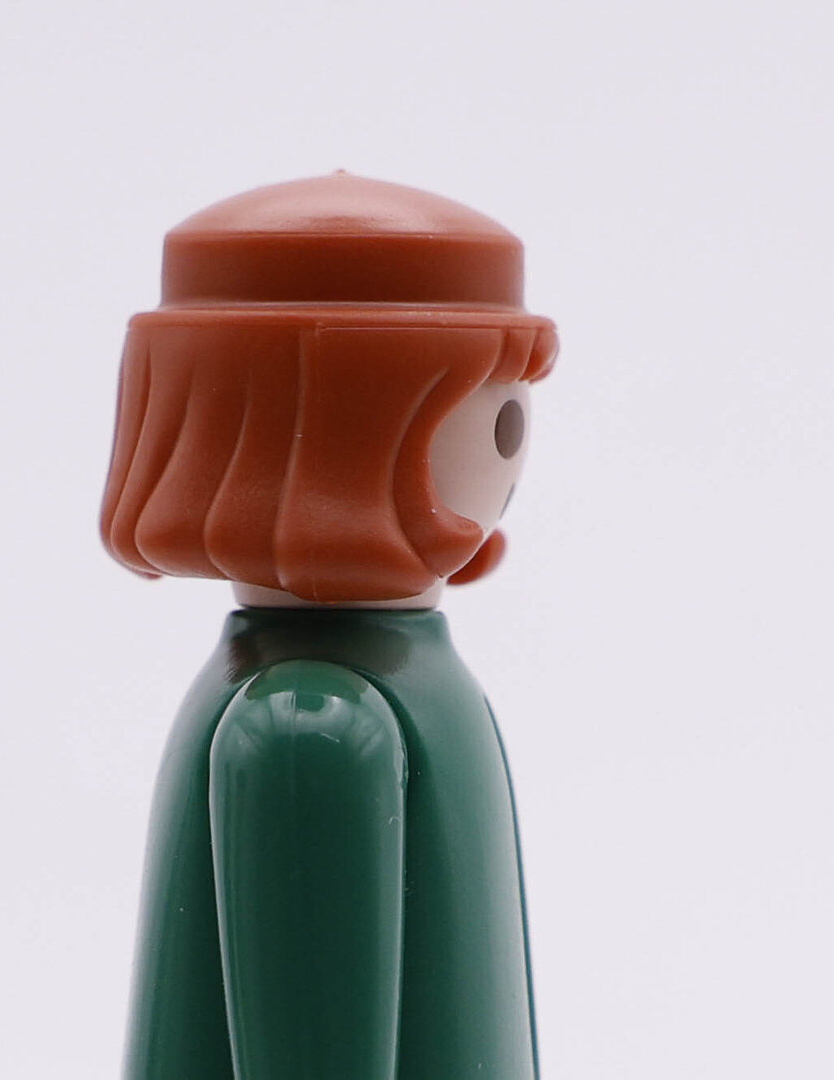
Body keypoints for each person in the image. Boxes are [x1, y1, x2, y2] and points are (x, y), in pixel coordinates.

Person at [100, 172, 558, 1080]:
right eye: (500, 412)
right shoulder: (312, 721)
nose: (515, 445)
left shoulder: (367, 686)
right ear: (364, 430)